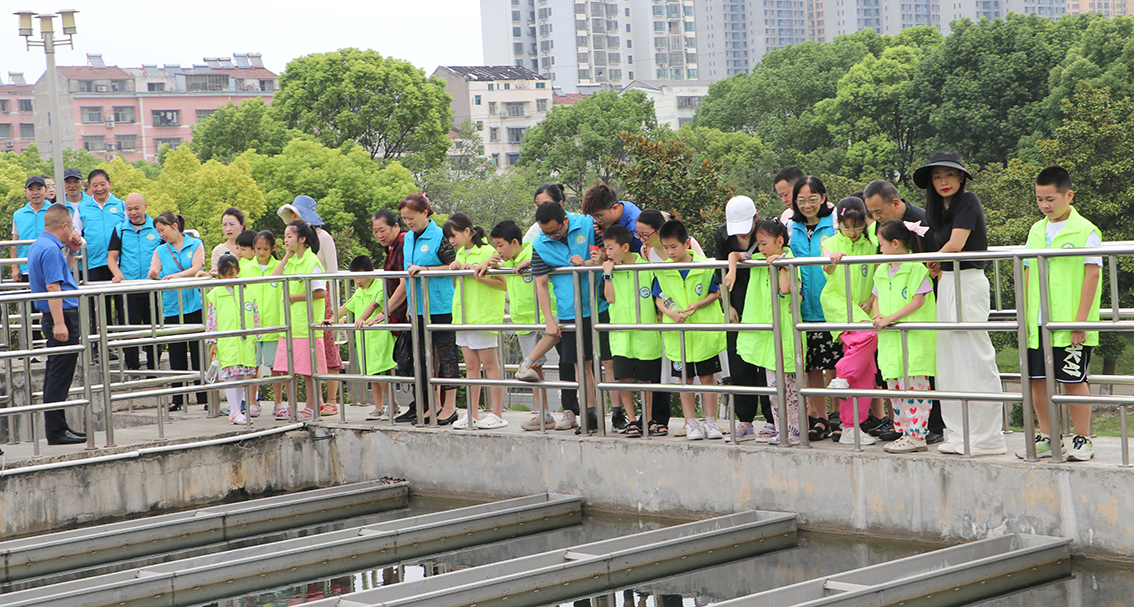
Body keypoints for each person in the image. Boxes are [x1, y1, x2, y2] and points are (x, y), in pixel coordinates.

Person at [915, 151, 1007, 456]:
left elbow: (955, 244)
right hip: (949, 281)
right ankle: (958, 433)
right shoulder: (943, 209)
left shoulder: (968, 201)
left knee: (974, 358)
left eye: (949, 175)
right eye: (937, 177)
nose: (943, 181)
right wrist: (937, 264)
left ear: (961, 177)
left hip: (968, 282)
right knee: (950, 360)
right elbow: (948, 250)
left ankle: (988, 437)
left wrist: (932, 258)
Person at [1017, 166, 1102, 462]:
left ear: (1068, 195)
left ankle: (1082, 438)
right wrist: (1025, 317)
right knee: (1037, 380)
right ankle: (1048, 436)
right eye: (1039, 199)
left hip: (1068, 322)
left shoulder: (1086, 230)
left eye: (1050, 199)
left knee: (1073, 380)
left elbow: (1092, 275)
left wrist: (1080, 321)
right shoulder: (1036, 230)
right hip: (1037, 323)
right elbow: (1027, 271)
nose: (1044, 205)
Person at [515, 201, 609, 434]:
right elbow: (541, 284)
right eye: (545, 232)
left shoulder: (587, 225)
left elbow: (606, 255)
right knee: (581, 364)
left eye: (555, 232)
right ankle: (590, 413)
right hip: (569, 311)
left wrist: (587, 262)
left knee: (608, 362)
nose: (551, 236)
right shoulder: (541, 243)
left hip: (599, 305)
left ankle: (615, 413)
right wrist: (549, 320)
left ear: (565, 220)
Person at [477, 220, 555, 430]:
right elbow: (501, 281)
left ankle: (579, 411)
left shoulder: (534, 250)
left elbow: (552, 259)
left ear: (514, 242)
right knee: (534, 371)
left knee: (567, 361)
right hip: (522, 321)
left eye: (500, 245)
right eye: (496, 245)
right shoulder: (506, 261)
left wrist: (530, 261)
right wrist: (488, 264)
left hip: (545, 316)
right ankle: (545, 415)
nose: (498, 250)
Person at [728, 218, 800, 444]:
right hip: (768, 336)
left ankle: (796, 431)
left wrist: (781, 265)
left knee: (792, 386)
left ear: (780, 241)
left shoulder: (790, 259)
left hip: (786, 333)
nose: (760, 248)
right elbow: (735, 255)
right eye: (758, 243)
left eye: (764, 243)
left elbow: (785, 289)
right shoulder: (758, 258)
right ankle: (781, 430)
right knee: (773, 388)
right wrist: (732, 271)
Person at [653, 219, 726, 441]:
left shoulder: (704, 265)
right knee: (685, 380)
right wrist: (670, 313)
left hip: (703, 334)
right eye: (665, 247)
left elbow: (716, 292)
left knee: (707, 378)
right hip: (679, 336)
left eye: (674, 246)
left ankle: (711, 421)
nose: (670, 252)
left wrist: (698, 304)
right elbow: (658, 298)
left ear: (686, 243)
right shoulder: (662, 270)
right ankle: (691, 423)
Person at [872, 220, 936, 453]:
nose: (880, 249)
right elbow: (876, 297)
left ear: (895, 243)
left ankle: (917, 435)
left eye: (882, 245)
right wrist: (878, 315)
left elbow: (917, 302)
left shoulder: (916, 268)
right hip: (890, 340)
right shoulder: (882, 269)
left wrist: (889, 319)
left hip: (913, 339)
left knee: (915, 388)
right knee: (896, 387)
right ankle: (905, 433)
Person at [714, 195, 775, 440]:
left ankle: (771, 419)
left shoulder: (766, 232)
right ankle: (745, 420)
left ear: (756, 218)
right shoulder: (723, 236)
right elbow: (720, 273)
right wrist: (727, 305)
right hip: (736, 302)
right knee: (738, 361)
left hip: (761, 301)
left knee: (764, 362)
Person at [821, 197, 879, 446]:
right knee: (870, 335)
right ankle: (841, 374)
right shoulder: (830, 242)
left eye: (857, 226)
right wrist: (833, 259)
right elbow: (827, 269)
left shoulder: (872, 243)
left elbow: (878, 274)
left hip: (863, 308)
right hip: (838, 303)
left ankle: (850, 428)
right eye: (847, 226)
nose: (852, 231)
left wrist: (871, 300)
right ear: (839, 224)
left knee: (866, 374)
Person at [398, 194, 459, 425]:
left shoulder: (440, 236)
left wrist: (426, 269)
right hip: (418, 306)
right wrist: (409, 305)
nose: (408, 222)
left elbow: (453, 266)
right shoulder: (408, 238)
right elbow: (408, 272)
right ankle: (431, 405)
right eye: (404, 218)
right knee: (424, 359)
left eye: (411, 217)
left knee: (446, 355)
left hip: (440, 304)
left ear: (425, 213)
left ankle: (450, 407)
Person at [521, 184, 581, 424]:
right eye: (537, 205)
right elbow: (524, 253)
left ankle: (584, 411)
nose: (541, 209)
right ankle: (567, 410)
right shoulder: (537, 233)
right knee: (566, 360)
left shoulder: (581, 225)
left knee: (580, 362)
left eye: (546, 204)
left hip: (578, 304)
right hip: (557, 308)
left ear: (561, 206)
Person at [28, 204, 87, 445]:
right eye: (71, 226)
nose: (72, 231)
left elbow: (62, 276)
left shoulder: (41, 245)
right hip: (61, 315)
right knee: (59, 375)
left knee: (57, 373)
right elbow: (53, 287)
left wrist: (71, 252)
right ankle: (56, 431)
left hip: (56, 314)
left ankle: (58, 428)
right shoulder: (50, 249)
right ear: (64, 225)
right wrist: (60, 323)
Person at [788, 176, 841, 440]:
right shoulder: (791, 227)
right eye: (801, 200)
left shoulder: (834, 224)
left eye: (812, 199)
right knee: (811, 366)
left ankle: (838, 415)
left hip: (830, 305)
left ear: (822, 197)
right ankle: (820, 417)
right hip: (803, 308)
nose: (807, 205)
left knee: (836, 364)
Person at [443, 213, 507, 430]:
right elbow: (457, 286)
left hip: (483, 315)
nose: (451, 240)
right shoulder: (460, 253)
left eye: (454, 235)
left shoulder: (488, 251)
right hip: (463, 315)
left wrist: (477, 275)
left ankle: (497, 413)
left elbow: (503, 284)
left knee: (490, 365)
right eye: (448, 237)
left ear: (468, 231)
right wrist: (455, 271)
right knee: (470, 365)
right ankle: (473, 413)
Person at [279, 196, 343, 412]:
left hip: (322, 298)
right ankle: (317, 401)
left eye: (295, 214)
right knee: (306, 356)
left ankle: (331, 399)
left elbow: (332, 272)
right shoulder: (295, 251)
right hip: (302, 304)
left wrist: (334, 309)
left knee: (327, 349)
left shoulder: (323, 238)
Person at [601, 224, 662, 439]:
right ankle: (632, 420)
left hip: (645, 334)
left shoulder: (646, 267)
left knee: (646, 381)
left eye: (611, 248)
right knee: (624, 378)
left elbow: (658, 297)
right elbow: (610, 298)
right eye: (605, 248)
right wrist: (607, 275)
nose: (607, 253)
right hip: (621, 334)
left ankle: (648, 419)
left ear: (625, 247)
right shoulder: (610, 271)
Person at [326, 255, 396, 423]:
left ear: (371, 273)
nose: (358, 281)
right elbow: (347, 306)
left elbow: (374, 305)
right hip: (365, 339)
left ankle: (393, 405)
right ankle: (379, 408)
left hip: (379, 338)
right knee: (372, 374)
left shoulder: (380, 286)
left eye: (361, 276)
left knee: (381, 373)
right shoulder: (359, 291)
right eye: (355, 277)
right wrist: (331, 319)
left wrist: (362, 318)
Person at [148, 212, 207, 410]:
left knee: (198, 353)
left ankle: (204, 397)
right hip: (172, 306)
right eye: (158, 231)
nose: (161, 234)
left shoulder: (195, 244)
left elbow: (196, 268)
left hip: (194, 304)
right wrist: (153, 274)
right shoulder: (160, 250)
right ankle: (178, 398)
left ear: (174, 226)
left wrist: (176, 276)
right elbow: (154, 270)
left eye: (162, 230)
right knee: (176, 353)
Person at [270, 220, 327, 421]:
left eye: (289, 236)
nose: (285, 240)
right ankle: (293, 406)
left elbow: (320, 292)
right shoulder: (292, 261)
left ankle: (312, 407)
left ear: (302, 239)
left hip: (306, 325)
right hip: (290, 324)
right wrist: (287, 255)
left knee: (309, 370)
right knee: (289, 369)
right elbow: (273, 278)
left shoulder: (312, 261)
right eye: (285, 236)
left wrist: (295, 298)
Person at [107, 193, 161, 371]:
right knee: (129, 330)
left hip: (152, 286)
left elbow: (166, 253)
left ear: (145, 207)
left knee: (154, 329)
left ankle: (154, 367)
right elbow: (111, 258)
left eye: (136, 208)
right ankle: (132, 368)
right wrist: (118, 274)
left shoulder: (157, 228)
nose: (133, 212)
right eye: (129, 209)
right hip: (129, 288)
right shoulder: (120, 229)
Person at [78, 169, 126, 361]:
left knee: (122, 306)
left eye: (102, 184)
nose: (99, 188)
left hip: (119, 264)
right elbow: (76, 233)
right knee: (98, 308)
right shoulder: (82, 208)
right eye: (95, 185)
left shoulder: (121, 205)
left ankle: (125, 346)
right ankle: (99, 347)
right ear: (89, 187)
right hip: (94, 263)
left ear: (109, 184)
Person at [206, 255, 259, 424]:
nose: (228, 278)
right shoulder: (216, 294)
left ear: (238, 271)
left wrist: (256, 336)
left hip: (245, 340)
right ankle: (234, 410)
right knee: (230, 375)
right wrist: (213, 341)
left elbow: (255, 314)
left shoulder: (247, 291)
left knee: (241, 375)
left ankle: (237, 411)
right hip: (226, 340)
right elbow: (212, 320)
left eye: (232, 274)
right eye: (225, 274)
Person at [243, 230, 288, 418]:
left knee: (276, 367)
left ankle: (278, 402)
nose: (261, 252)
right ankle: (252, 402)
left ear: (273, 248)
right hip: (252, 326)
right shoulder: (245, 269)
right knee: (251, 366)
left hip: (273, 324)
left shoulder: (280, 267)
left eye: (265, 249)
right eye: (258, 248)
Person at [371, 210, 408, 421]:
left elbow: (404, 284)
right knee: (407, 361)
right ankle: (418, 406)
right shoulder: (391, 247)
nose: (379, 235)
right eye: (375, 231)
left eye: (382, 230)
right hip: (399, 313)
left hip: (407, 312)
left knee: (416, 360)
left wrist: (385, 311)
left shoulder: (403, 242)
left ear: (395, 226)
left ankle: (426, 408)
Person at [580, 183, 643, 253]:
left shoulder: (635, 231)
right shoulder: (618, 208)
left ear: (615, 208)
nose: (596, 221)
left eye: (599, 216)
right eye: (593, 217)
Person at [11, 176, 52, 282]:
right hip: (27, 266)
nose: (35, 192)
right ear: (26, 192)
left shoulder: (54, 210)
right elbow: (15, 242)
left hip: (51, 264)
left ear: (46, 190)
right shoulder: (18, 214)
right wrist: (15, 267)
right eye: (31, 189)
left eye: (39, 188)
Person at [209, 207, 246, 272]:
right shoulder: (218, 251)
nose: (228, 229)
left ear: (242, 225)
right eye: (224, 225)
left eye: (232, 224)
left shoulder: (253, 246)